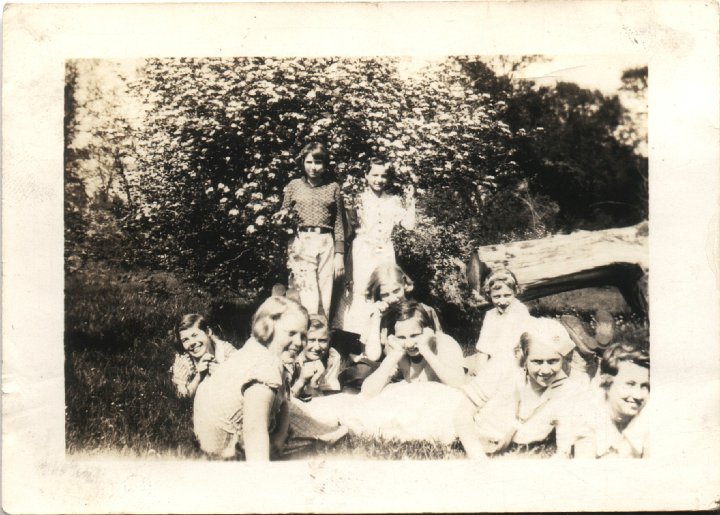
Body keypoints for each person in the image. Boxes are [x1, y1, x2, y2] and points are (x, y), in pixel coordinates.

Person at [454, 317, 588, 459]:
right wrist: (478, 458)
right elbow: (462, 415)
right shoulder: (503, 366)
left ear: (563, 358)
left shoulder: (568, 386)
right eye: (537, 362)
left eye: (553, 361)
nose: (546, 370)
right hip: (466, 432)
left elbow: (567, 444)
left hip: (517, 449)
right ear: (524, 357)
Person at [192, 296, 307, 460]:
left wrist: (281, 434)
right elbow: (254, 430)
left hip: (211, 432)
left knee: (305, 418)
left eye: (303, 335)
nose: (298, 342)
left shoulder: (256, 348)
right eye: (291, 333)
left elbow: (283, 402)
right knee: (325, 437)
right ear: (268, 328)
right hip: (229, 448)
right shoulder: (265, 368)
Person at [334, 158, 415, 335]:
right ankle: (357, 338)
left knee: (386, 289)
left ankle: (384, 334)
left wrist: (410, 201)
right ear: (366, 175)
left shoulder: (393, 200)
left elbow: (409, 225)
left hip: (384, 251)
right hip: (362, 251)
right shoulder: (357, 199)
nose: (379, 180)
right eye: (375, 175)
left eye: (383, 176)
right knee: (362, 290)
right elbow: (348, 229)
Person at [339, 264, 443, 389]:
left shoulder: (423, 311)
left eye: (396, 291)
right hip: (391, 368)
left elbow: (440, 344)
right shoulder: (378, 316)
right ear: (378, 294)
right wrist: (377, 318)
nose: (393, 298)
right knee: (358, 372)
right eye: (385, 295)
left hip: (419, 365)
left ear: (404, 285)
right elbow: (373, 356)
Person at [281, 142, 346, 317]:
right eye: (309, 162)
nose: (314, 167)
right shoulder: (294, 185)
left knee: (325, 294)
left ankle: (321, 337)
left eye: (318, 163)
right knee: (307, 294)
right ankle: (305, 335)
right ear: (303, 162)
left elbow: (339, 222)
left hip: (326, 241)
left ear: (325, 165)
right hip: (301, 241)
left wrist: (339, 254)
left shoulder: (333, 187)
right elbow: (284, 215)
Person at [360, 300, 464, 398]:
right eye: (401, 337)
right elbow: (367, 393)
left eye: (414, 335)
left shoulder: (444, 343)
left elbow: (459, 383)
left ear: (428, 330)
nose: (409, 344)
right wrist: (395, 354)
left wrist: (425, 349)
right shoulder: (399, 348)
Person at [569, 341, 650, 458]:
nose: (638, 395)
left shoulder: (652, 413)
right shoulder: (587, 412)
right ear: (606, 383)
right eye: (630, 384)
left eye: (644, 386)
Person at [467, 268, 534, 377]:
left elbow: (524, 349)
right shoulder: (490, 315)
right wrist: (480, 373)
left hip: (516, 362)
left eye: (507, 295)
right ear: (489, 295)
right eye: (497, 296)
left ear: (515, 292)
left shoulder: (520, 311)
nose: (502, 302)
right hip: (495, 360)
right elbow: (483, 348)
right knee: (468, 368)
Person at [170, 314, 237, 398]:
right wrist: (199, 376)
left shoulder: (225, 351)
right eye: (185, 340)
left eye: (194, 335)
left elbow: (245, 378)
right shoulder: (185, 360)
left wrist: (223, 375)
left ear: (208, 332)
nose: (192, 343)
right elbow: (182, 398)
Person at [290, 315, 342, 399]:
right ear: (302, 340)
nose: (317, 347)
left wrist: (316, 385)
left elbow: (330, 400)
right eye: (311, 340)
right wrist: (301, 381)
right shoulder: (291, 357)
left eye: (323, 341)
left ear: (329, 340)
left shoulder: (332, 357)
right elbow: (282, 402)